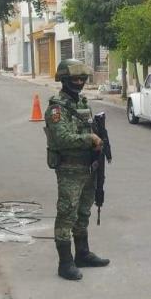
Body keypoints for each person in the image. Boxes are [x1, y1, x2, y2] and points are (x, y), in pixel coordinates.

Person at [44, 59, 110, 281]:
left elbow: (91, 128)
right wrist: (89, 138)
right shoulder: (56, 108)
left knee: (84, 212)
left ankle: (82, 254)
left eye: (83, 78)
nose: (80, 82)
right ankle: (65, 262)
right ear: (64, 80)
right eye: (75, 79)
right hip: (70, 169)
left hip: (88, 167)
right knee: (67, 214)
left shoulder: (82, 103)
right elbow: (61, 138)